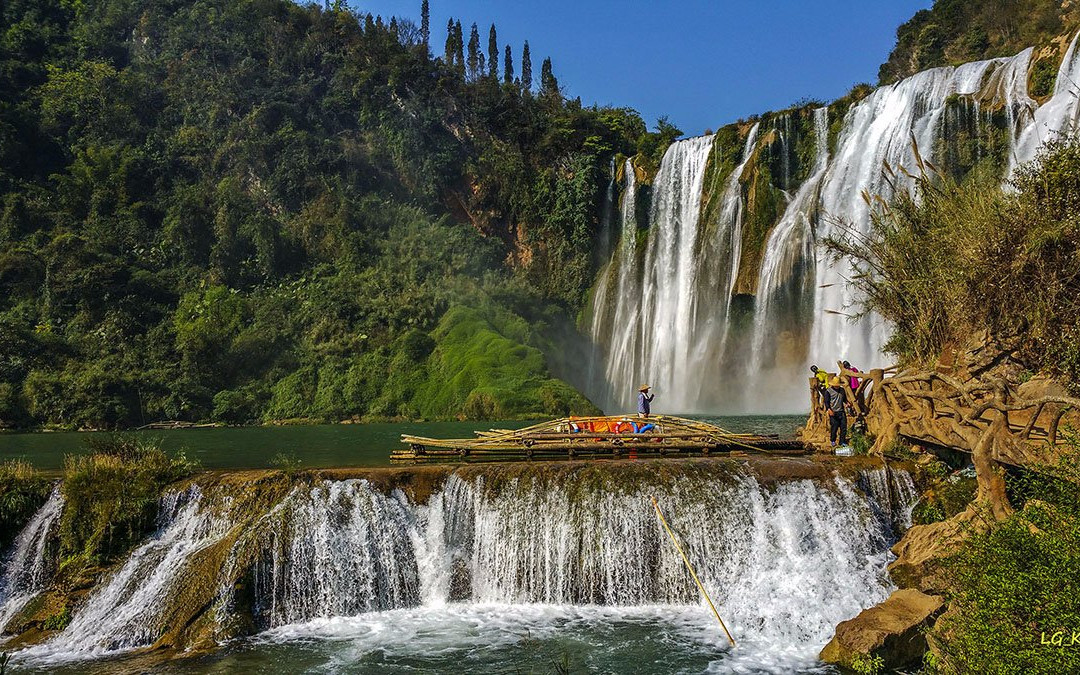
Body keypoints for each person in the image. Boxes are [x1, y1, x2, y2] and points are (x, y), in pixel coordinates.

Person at [823, 377, 848, 448]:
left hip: (841, 411)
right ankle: (833, 440)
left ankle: (842, 442)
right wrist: (829, 409)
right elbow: (826, 402)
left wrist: (847, 403)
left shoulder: (842, 390)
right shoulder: (828, 391)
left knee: (843, 427)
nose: (837, 386)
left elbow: (844, 399)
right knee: (834, 427)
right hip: (833, 412)